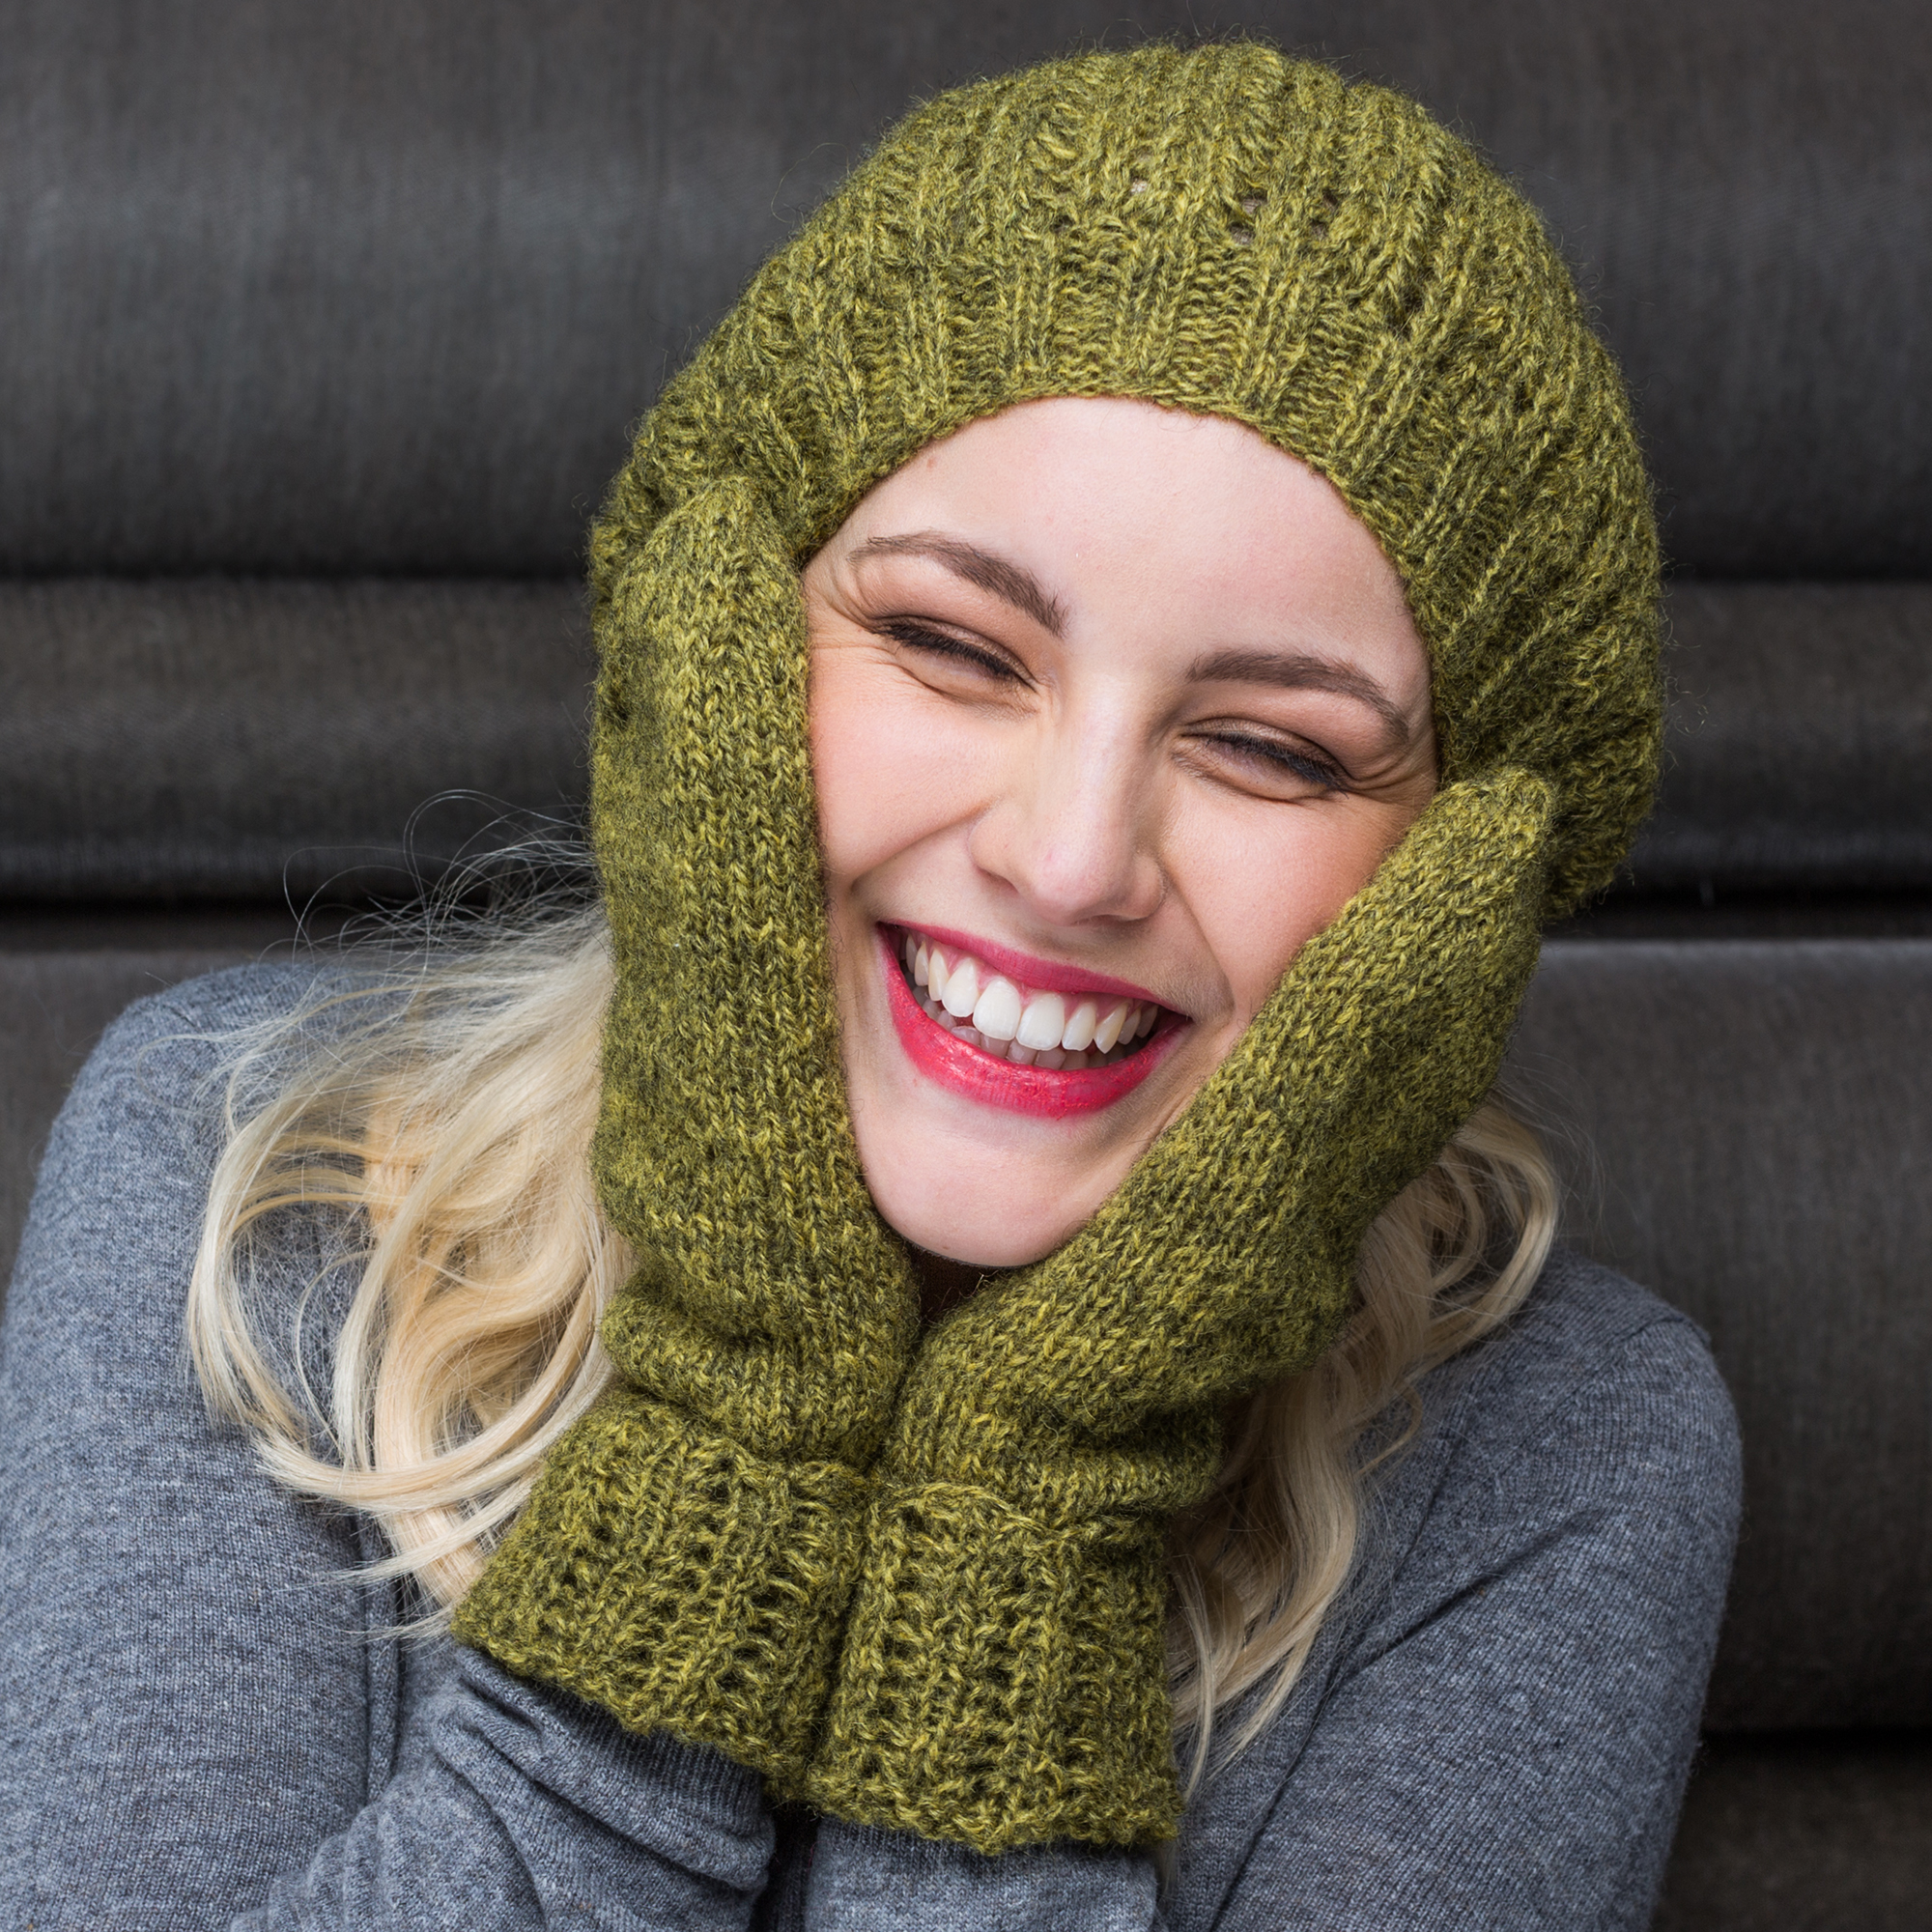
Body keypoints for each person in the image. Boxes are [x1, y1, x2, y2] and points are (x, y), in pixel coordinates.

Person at [0, 40, 1740, 1930]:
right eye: (950, 643)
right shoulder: (246, 1173)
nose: (1069, 860)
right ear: (717, 647)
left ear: (1459, 893)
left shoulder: (1567, 1448)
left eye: (1274, 749)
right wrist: (717, 1480)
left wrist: (1023, 1527)